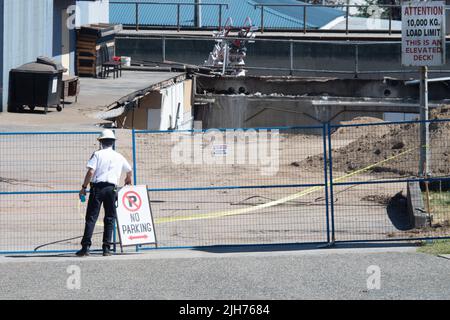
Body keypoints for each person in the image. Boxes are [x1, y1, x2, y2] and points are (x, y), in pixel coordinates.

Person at [76, 129, 132, 257]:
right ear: (112, 142)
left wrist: (84, 187)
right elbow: (129, 170)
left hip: (97, 188)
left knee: (91, 218)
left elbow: (91, 172)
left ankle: (85, 247)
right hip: (112, 189)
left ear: (101, 142)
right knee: (110, 218)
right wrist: (128, 178)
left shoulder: (97, 154)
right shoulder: (119, 156)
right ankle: (106, 248)